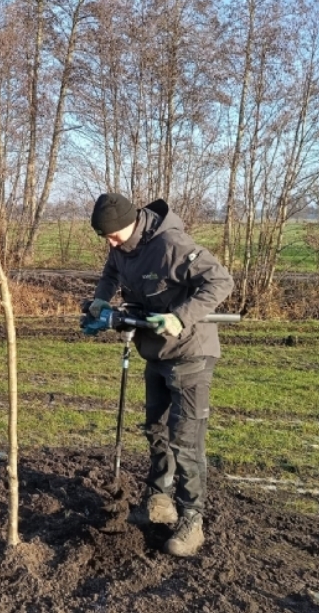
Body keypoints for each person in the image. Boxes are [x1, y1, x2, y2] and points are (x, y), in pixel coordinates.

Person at [87, 192, 233, 557]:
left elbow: (220, 281)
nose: (110, 243)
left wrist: (180, 316)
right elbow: (110, 274)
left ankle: (192, 520)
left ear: (132, 222)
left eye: (113, 235)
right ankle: (160, 501)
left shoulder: (172, 244)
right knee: (156, 430)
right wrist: (100, 302)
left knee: (185, 438)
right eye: (105, 237)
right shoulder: (120, 247)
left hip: (190, 353)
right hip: (155, 352)